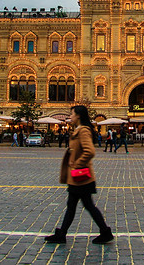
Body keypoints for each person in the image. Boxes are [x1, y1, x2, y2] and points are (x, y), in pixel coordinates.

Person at [45, 105, 113, 244]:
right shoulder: (79, 130)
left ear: (79, 116)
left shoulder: (83, 131)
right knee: (76, 205)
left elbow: (90, 151)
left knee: (84, 205)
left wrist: (77, 164)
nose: (70, 117)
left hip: (81, 177)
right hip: (78, 177)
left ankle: (104, 232)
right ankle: (63, 233)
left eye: (72, 114)